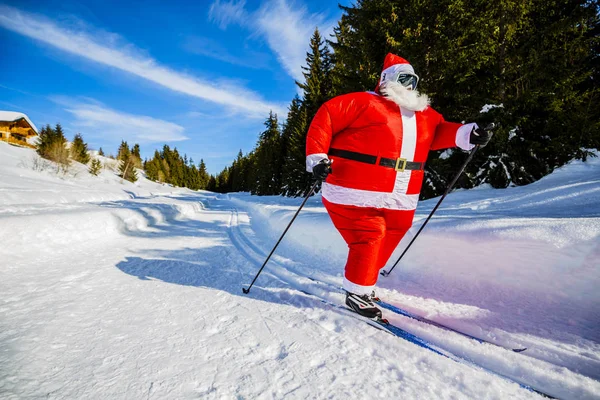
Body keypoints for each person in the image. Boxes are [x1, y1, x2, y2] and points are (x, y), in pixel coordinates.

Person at [305, 53, 492, 318]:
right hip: (354, 191)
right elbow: (326, 118)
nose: (410, 86)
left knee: (395, 229)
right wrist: (317, 159)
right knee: (370, 234)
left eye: (413, 81)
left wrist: (469, 133)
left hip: (401, 196)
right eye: (403, 79)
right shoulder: (361, 102)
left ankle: (364, 280)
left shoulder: (424, 115)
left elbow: (442, 131)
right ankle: (357, 293)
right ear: (386, 80)